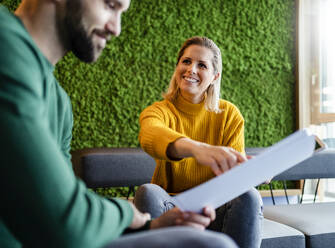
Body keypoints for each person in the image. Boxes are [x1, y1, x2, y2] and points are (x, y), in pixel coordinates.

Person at [0, 1, 238, 248]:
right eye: (110, 5)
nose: (116, 28)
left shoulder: (59, 103)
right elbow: (68, 220)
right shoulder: (6, 46)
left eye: (202, 65)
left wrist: (150, 226)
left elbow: (59, 202)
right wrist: (127, 213)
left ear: (214, 77)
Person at [136, 36, 264, 248]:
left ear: (215, 76)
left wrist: (251, 172)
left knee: (249, 195)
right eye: (186, 61)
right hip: (171, 206)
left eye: (202, 65)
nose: (191, 69)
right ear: (177, 67)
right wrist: (197, 149)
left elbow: (233, 182)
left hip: (216, 209)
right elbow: (151, 134)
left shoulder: (229, 115)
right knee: (147, 191)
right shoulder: (159, 111)